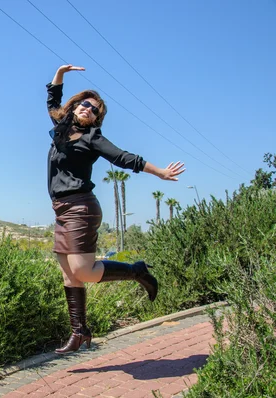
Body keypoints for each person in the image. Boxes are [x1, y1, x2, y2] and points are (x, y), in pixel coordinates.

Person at [46, 64, 185, 354]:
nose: (89, 110)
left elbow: (123, 158)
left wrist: (158, 172)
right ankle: (79, 332)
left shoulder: (93, 138)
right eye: (85, 104)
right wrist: (60, 73)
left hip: (80, 207)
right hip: (61, 209)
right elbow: (52, 99)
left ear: (97, 119)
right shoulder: (61, 129)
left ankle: (137, 271)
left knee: (83, 271)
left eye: (95, 110)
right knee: (69, 274)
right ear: (75, 106)